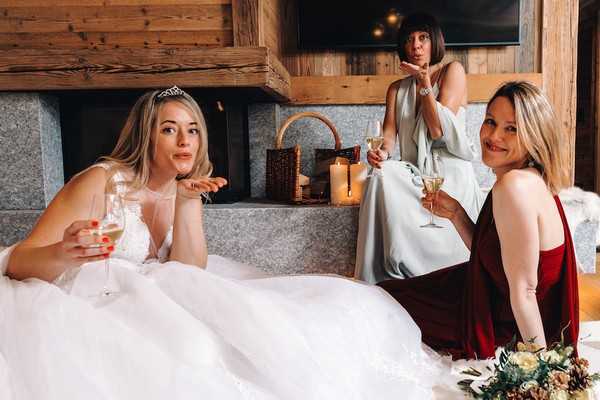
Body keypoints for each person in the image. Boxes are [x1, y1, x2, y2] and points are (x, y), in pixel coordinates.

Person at [0, 86, 446, 399]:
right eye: (169, 129)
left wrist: (186, 204)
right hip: (88, 299)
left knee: (309, 313)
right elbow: (18, 263)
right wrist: (63, 251)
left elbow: (188, 272)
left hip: (157, 293)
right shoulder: (99, 181)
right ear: (145, 136)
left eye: (192, 129)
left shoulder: (184, 184)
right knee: (194, 352)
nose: (185, 140)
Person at [378, 81, 579, 359]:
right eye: (490, 121)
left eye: (511, 128)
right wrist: (457, 214)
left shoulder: (514, 186)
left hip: (492, 318)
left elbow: (524, 291)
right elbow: (500, 260)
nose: (493, 135)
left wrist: (540, 369)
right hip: (480, 292)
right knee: (383, 296)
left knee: (378, 307)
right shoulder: (532, 178)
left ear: (534, 135)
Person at [355, 13, 484, 283]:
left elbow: (438, 130)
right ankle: (375, 276)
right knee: (379, 175)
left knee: (394, 177)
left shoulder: (453, 72)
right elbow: (389, 136)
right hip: (417, 171)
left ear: (434, 41)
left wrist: (425, 83)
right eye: (410, 39)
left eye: (423, 38)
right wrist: (382, 153)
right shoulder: (396, 90)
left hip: (449, 172)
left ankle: (436, 273)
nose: (416, 45)